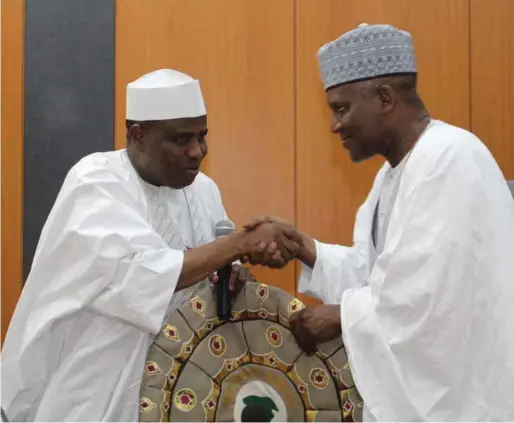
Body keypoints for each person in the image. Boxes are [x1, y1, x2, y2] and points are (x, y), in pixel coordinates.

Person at [246, 23, 514, 421]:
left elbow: (432, 299)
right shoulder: (392, 176)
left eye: (342, 109)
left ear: (385, 98)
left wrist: (340, 317)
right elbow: (377, 277)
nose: (335, 125)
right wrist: (307, 248)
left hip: (459, 403)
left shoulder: (450, 158)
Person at [0, 69, 301, 422]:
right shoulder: (96, 180)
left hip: (179, 389)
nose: (197, 151)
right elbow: (146, 275)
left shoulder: (204, 190)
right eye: (181, 138)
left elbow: (211, 265)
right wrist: (240, 243)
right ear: (138, 135)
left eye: (202, 136)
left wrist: (231, 276)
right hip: (96, 391)